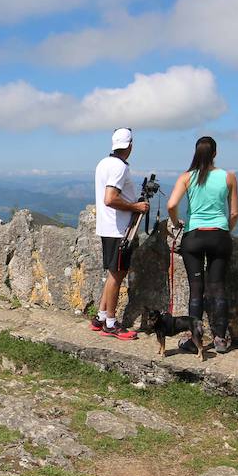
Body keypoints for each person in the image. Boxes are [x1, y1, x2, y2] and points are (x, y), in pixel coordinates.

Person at [166, 135, 238, 354]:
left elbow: (171, 204)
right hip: (219, 236)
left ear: (195, 153)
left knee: (196, 290)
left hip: (194, 237)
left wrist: (175, 222)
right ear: (215, 153)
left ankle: (194, 340)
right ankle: (220, 338)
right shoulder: (229, 177)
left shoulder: (186, 177)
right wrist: (225, 230)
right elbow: (234, 212)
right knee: (217, 287)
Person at [91, 127, 148, 339]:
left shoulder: (103, 163)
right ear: (130, 145)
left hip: (107, 227)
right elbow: (110, 198)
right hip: (119, 231)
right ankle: (111, 323)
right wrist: (137, 207)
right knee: (117, 275)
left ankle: (101, 316)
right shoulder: (119, 168)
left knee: (113, 274)